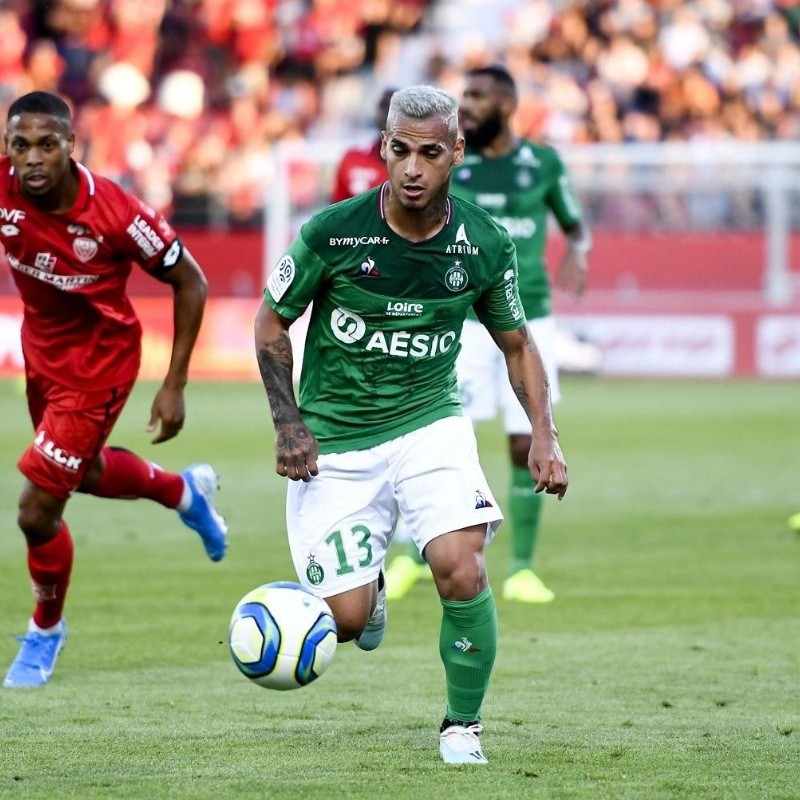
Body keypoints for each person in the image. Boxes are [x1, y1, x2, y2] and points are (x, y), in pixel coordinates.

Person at [254, 85, 568, 765]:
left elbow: (518, 344)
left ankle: (462, 726)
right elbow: (271, 320)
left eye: (431, 152)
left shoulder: (481, 244)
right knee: (346, 621)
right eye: (401, 150)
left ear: (456, 152)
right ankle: (365, 597)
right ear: (385, 149)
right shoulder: (332, 232)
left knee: (461, 568)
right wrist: (289, 423)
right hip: (334, 442)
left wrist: (544, 433)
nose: (414, 168)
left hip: (430, 422)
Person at [1, 91, 228, 689]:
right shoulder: (4, 187)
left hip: (99, 364)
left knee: (36, 508)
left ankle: (46, 630)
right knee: (81, 472)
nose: (32, 159)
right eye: (19, 145)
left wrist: (174, 383)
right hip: (41, 355)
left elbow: (192, 282)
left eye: (46, 144)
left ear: (72, 146)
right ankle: (183, 492)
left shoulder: (118, 215)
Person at [386, 65, 591, 604]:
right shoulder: (451, 161)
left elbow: (574, 222)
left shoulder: (543, 163)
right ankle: (410, 558)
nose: (467, 105)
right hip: (464, 320)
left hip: (531, 317)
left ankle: (521, 569)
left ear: (506, 101)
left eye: (477, 97)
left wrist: (577, 251)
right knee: (440, 437)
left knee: (527, 439)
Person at [330, 88, 395, 203]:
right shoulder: (352, 159)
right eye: (383, 107)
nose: (387, 115)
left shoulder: (412, 168)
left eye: (392, 109)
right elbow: (334, 211)